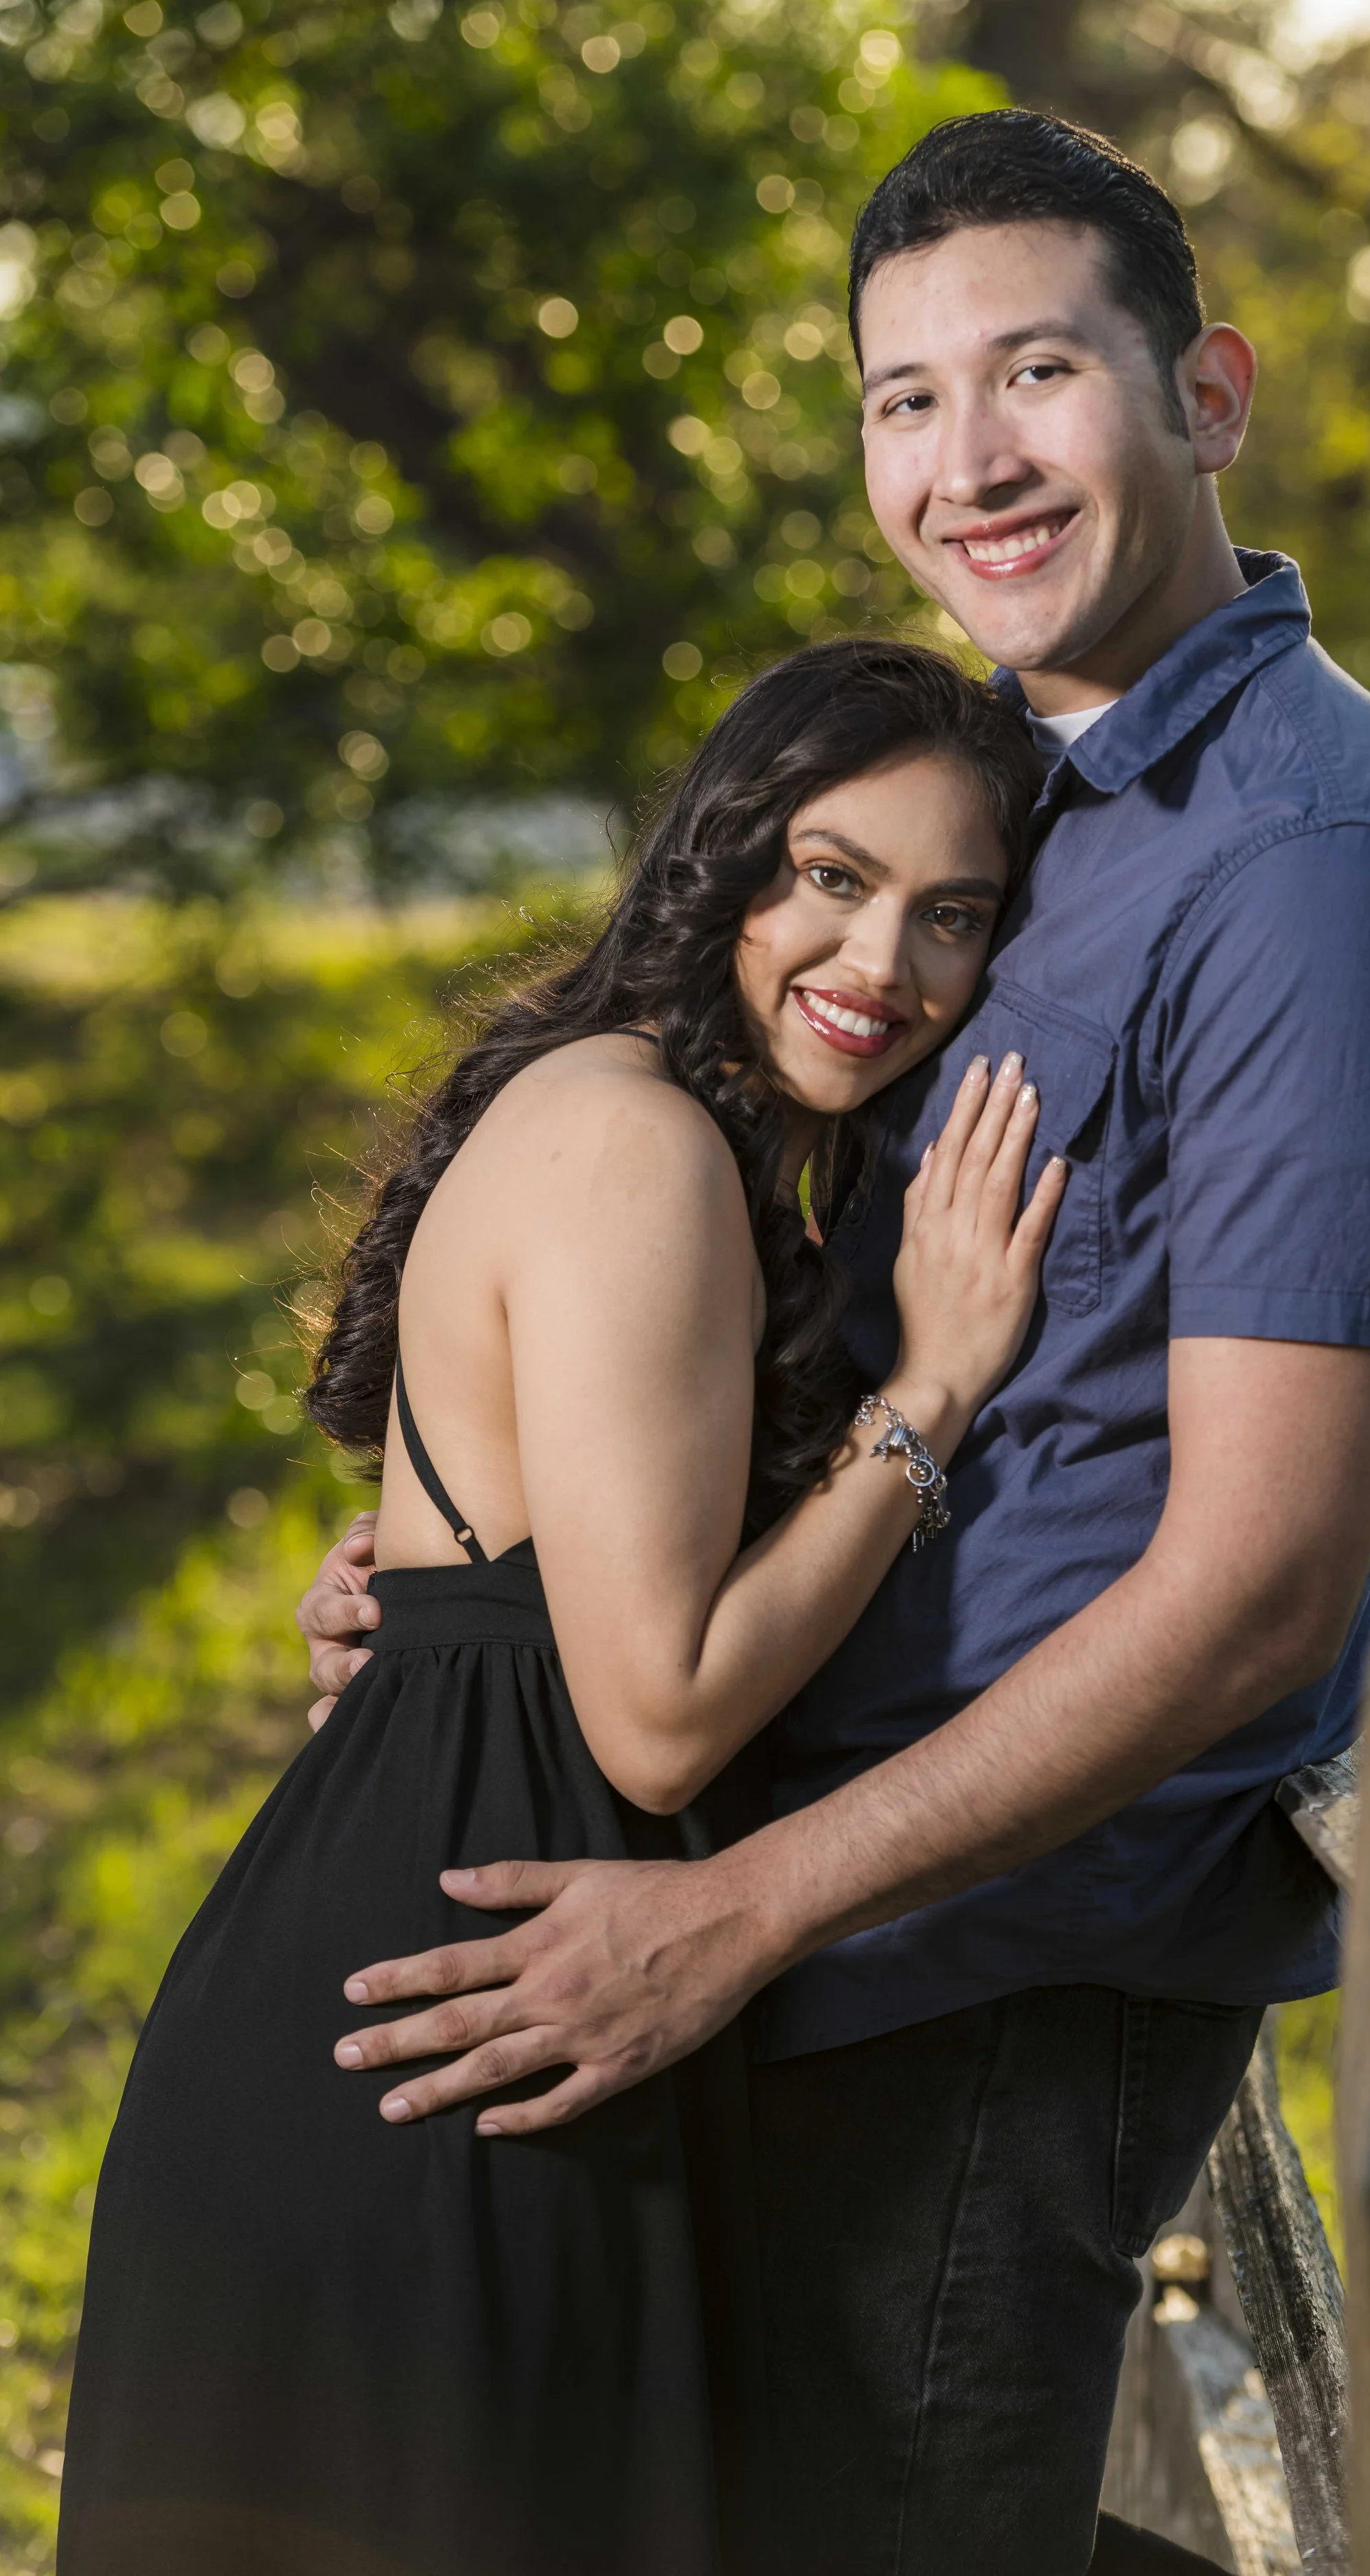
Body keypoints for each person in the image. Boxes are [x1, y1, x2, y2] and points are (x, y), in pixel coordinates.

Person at [298, 111, 1370, 2576]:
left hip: (966, 1974)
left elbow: (1260, 1586)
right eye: (899, 397)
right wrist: (491, 1569)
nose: (964, 458)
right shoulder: (1019, 798)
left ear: (1206, 394)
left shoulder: (1315, 873)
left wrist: (739, 1913)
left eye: (1036, 370)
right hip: (760, 1902)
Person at [56, 638, 1062, 2576]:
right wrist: (926, 1400)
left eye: (954, 914)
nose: (883, 963)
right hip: (450, 2051)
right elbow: (660, 1712)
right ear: (723, 859)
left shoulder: (647, 1117)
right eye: (829, 877)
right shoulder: (639, 1145)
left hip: (469, 2001)